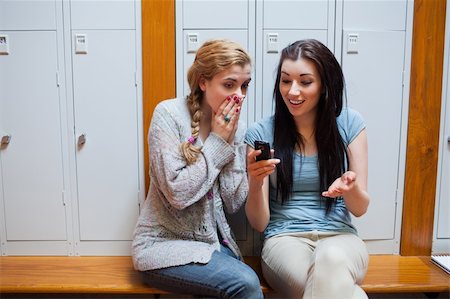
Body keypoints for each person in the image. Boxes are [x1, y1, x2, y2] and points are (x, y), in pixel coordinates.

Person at [132, 39, 263, 299]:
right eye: (229, 84)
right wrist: (217, 142)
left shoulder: (236, 124)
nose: (240, 95)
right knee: (246, 284)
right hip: (161, 247)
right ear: (203, 82)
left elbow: (234, 201)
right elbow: (177, 194)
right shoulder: (168, 115)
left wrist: (236, 151)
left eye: (244, 85)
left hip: (213, 245)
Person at [244, 39, 370, 299]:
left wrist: (350, 188)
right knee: (339, 290)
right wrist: (255, 183)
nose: (292, 91)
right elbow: (259, 223)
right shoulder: (261, 133)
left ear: (325, 84)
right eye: (285, 80)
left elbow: (359, 208)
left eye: (305, 81)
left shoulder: (350, 123)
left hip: (341, 238)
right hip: (284, 240)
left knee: (330, 258)